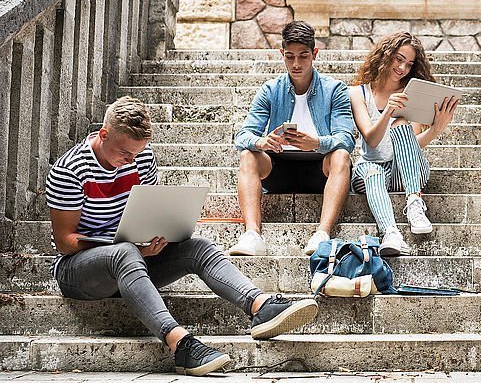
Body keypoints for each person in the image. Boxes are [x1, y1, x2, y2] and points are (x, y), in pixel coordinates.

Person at [47, 96, 318, 377]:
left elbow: (146, 212)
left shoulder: (142, 159)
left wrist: (157, 234)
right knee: (124, 253)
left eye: (137, 154)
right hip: (80, 272)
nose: (130, 161)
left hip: (132, 263)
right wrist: (129, 246)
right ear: (103, 135)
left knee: (197, 247)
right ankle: (181, 346)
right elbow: (66, 242)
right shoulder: (70, 169)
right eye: (125, 154)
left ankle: (261, 307)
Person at [231, 21, 355, 256]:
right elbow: (243, 135)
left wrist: (316, 143)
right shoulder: (270, 89)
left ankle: (322, 234)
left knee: (341, 155)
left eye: (303, 56)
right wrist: (261, 142)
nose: (296, 64)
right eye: (290, 57)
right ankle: (252, 235)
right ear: (282, 54)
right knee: (248, 155)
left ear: (314, 54)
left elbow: (346, 138)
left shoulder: (335, 89)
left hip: (319, 168)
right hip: (279, 167)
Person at [349, 32, 459, 256]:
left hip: (405, 173)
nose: (402, 68)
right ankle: (390, 233)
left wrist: (436, 129)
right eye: (398, 59)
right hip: (369, 170)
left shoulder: (411, 94)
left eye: (409, 64)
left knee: (401, 122)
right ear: (385, 55)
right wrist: (388, 109)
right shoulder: (358, 93)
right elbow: (370, 139)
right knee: (373, 170)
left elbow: (411, 145)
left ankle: (415, 203)